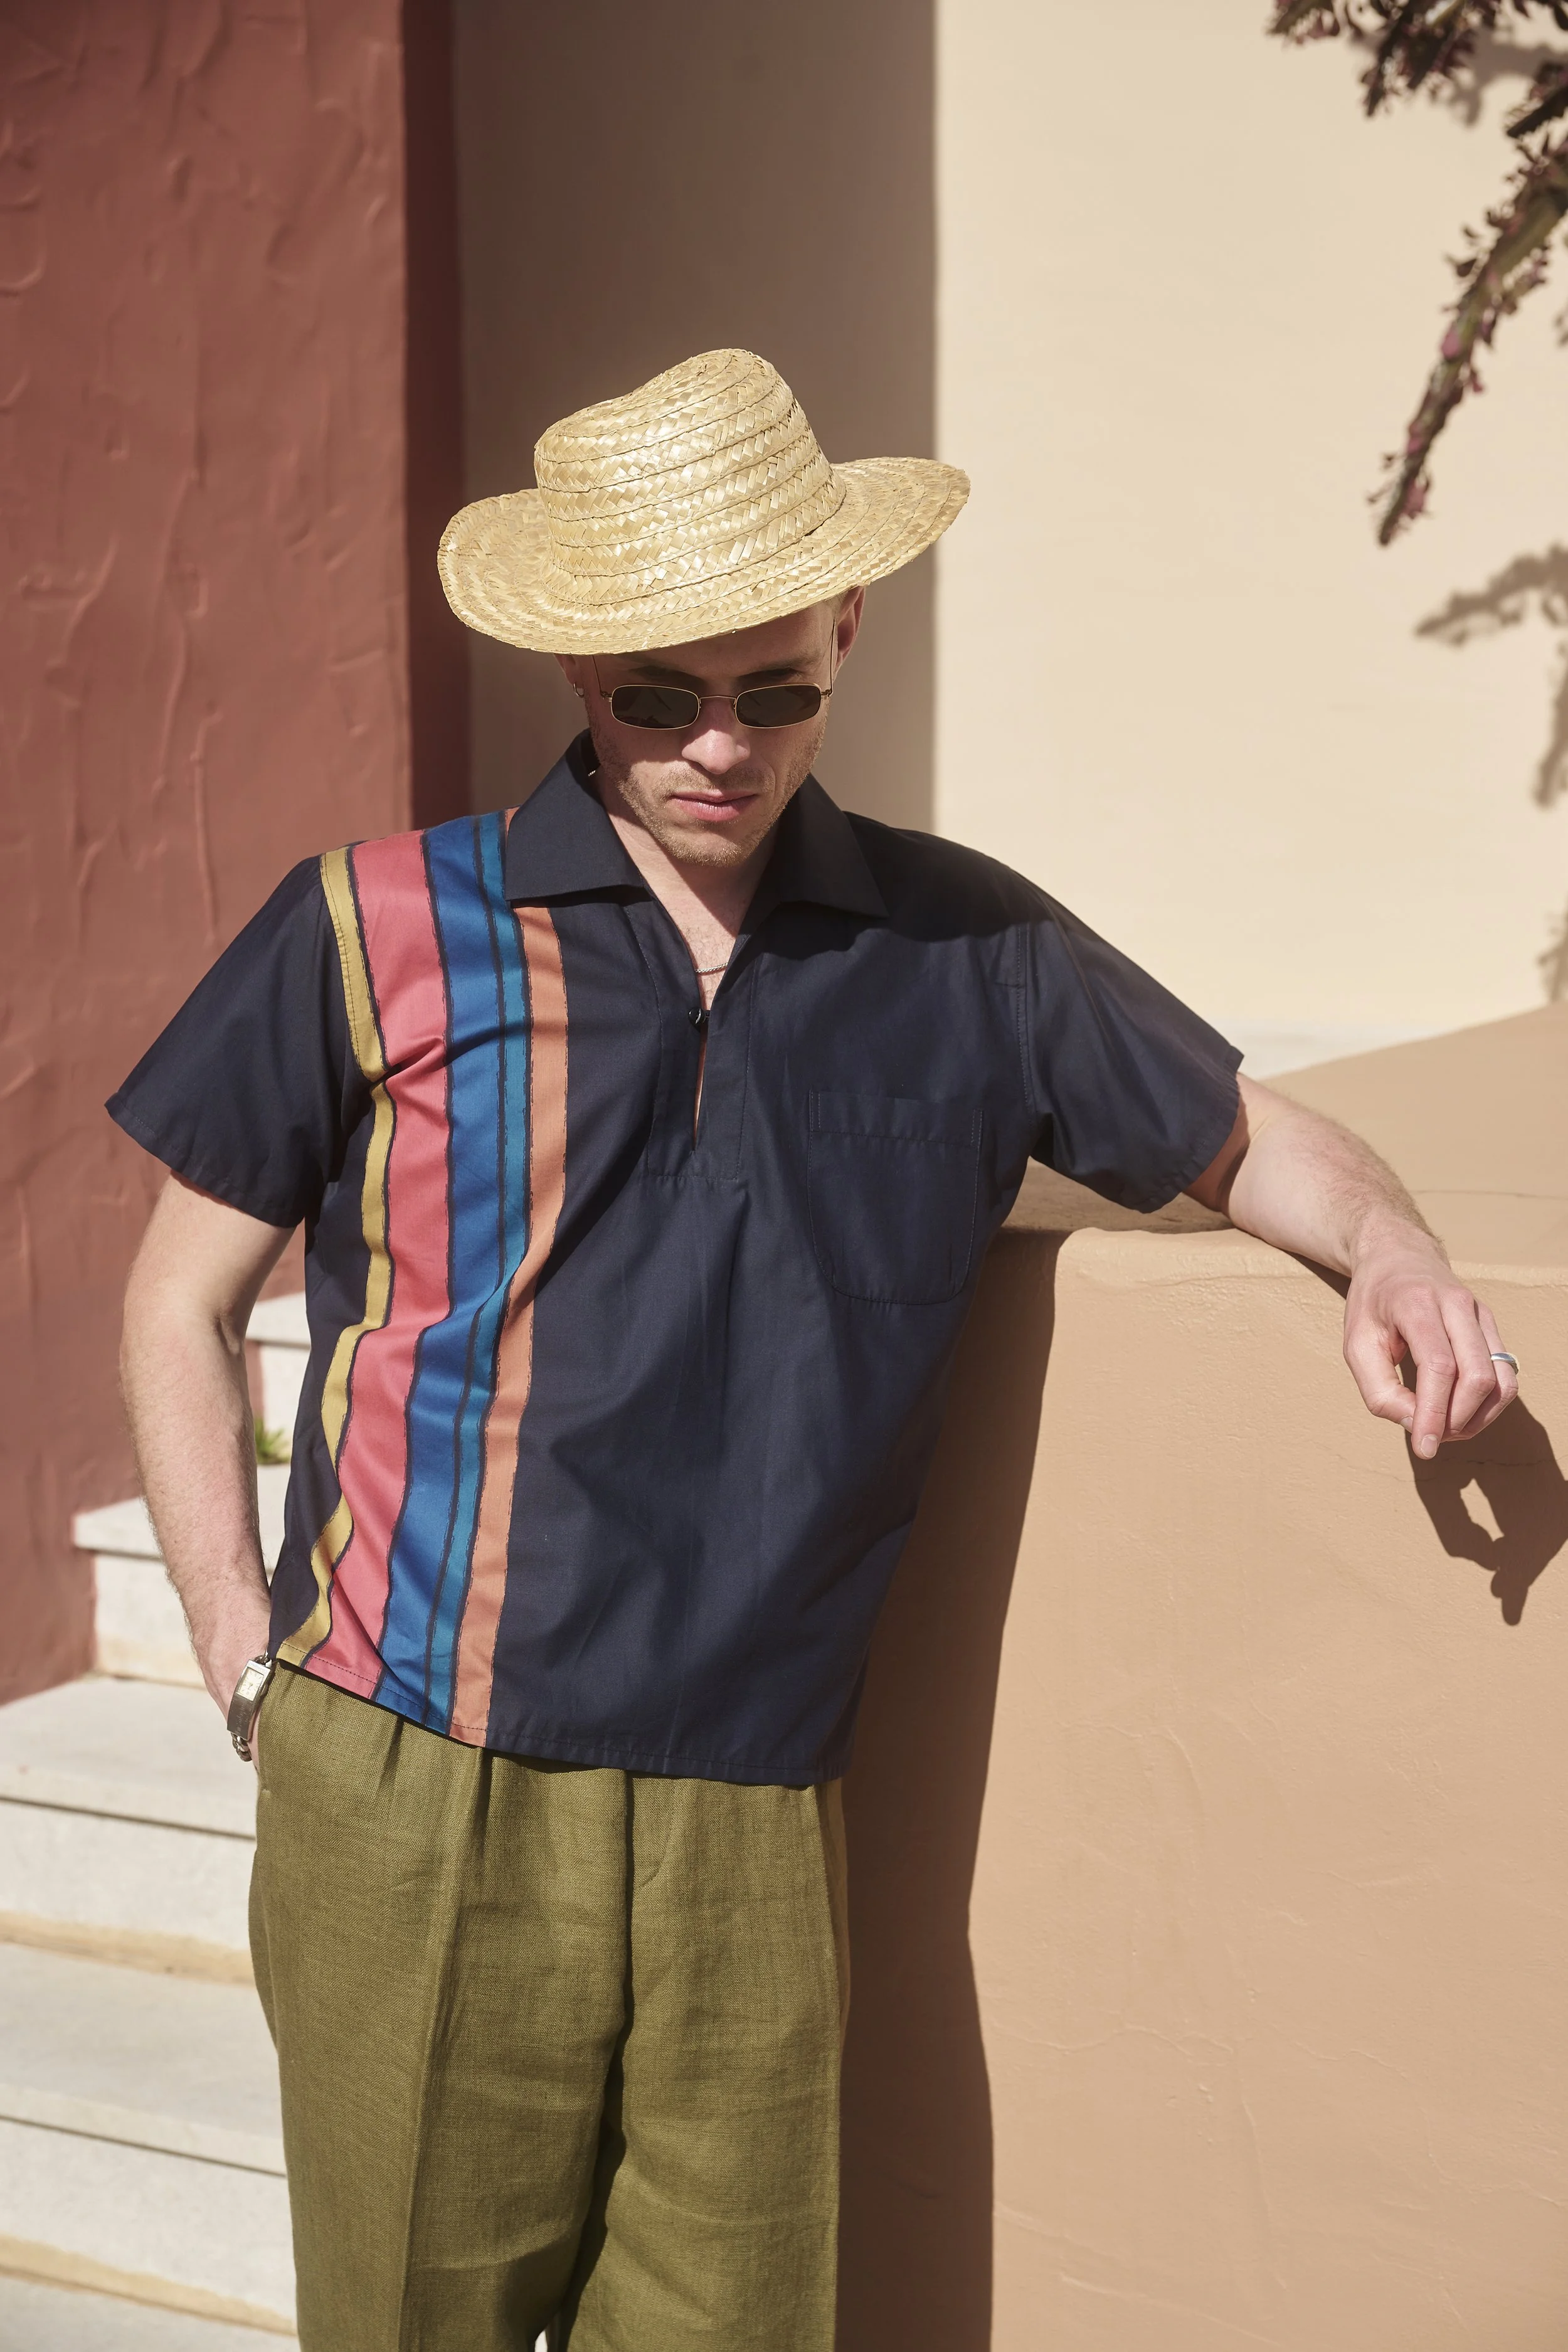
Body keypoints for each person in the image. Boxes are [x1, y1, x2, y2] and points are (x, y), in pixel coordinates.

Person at [112, 348, 1518, 2352]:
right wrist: (239, 1643)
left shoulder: (972, 956)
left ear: (842, 628)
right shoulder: (371, 928)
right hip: (417, 1774)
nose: (716, 747)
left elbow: (1252, 1133)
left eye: (770, 687)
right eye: (656, 694)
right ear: (580, 662)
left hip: (756, 1812)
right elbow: (173, 1294)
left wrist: (1389, 1250)